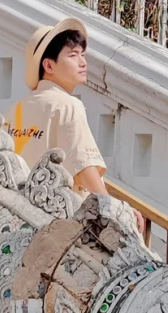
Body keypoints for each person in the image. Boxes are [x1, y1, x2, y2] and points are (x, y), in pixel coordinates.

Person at [11, 18, 111, 201]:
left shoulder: (15, 109)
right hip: (58, 210)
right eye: (73, 55)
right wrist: (113, 207)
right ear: (49, 65)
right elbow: (84, 166)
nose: (83, 62)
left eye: (83, 55)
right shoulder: (68, 105)